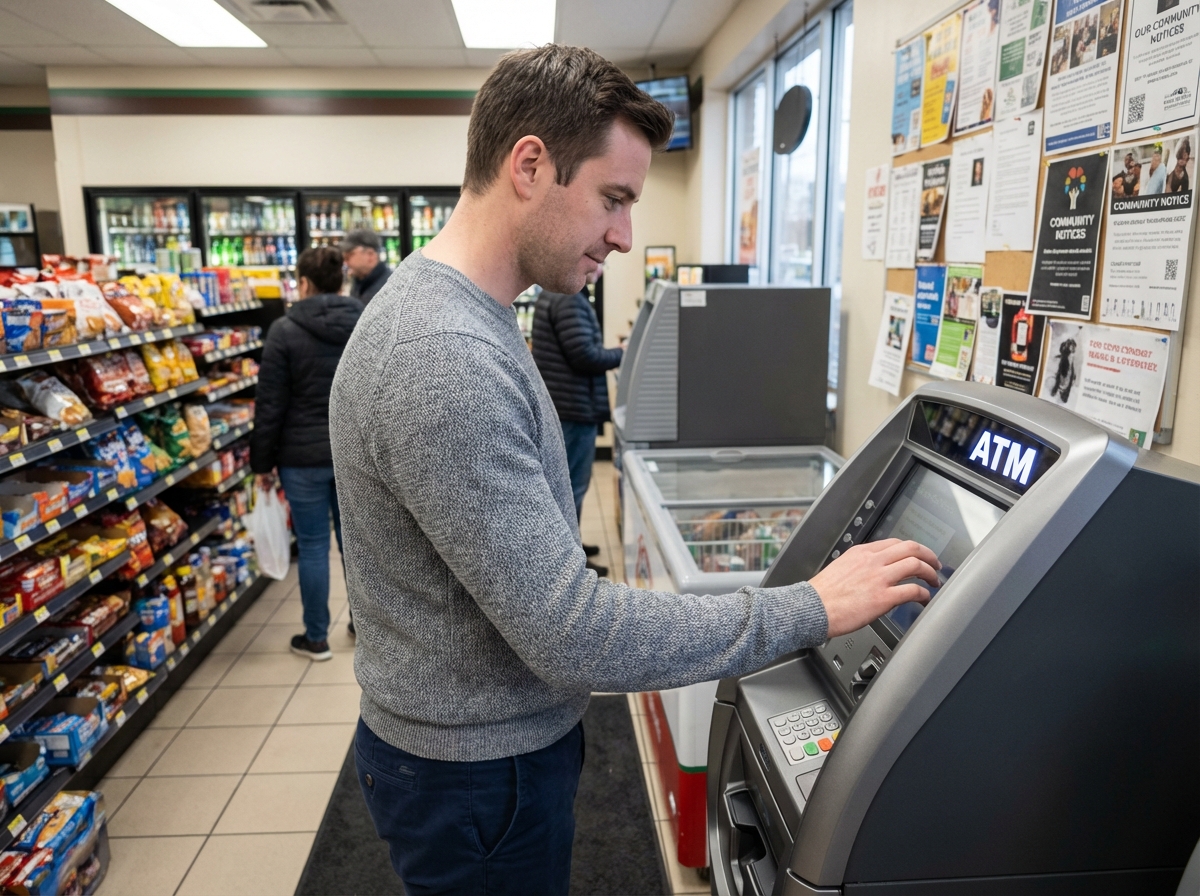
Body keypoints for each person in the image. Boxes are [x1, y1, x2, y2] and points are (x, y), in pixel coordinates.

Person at [330, 45, 940, 894]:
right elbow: (572, 634)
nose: (623, 235)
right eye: (612, 198)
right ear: (530, 166)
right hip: (476, 777)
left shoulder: (460, 315)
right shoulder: (443, 356)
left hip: (474, 752)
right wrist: (811, 608)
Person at [251, 247, 363, 660]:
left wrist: (261, 464)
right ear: (341, 281)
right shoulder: (365, 321)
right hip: (352, 454)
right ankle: (363, 626)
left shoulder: (284, 330)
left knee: (314, 547)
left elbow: (270, 404)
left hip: (300, 459)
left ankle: (316, 638)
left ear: (303, 283)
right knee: (355, 546)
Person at [531, 264, 621, 576]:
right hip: (573, 407)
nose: (601, 268)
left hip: (566, 404)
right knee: (572, 488)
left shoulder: (557, 293)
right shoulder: (569, 299)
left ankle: (574, 546)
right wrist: (622, 352)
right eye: (599, 261)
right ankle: (571, 564)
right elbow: (585, 355)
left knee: (567, 485)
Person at [340, 229, 391, 305]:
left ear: (370, 255)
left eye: (349, 256)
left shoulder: (390, 287)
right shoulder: (359, 281)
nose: (345, 262)